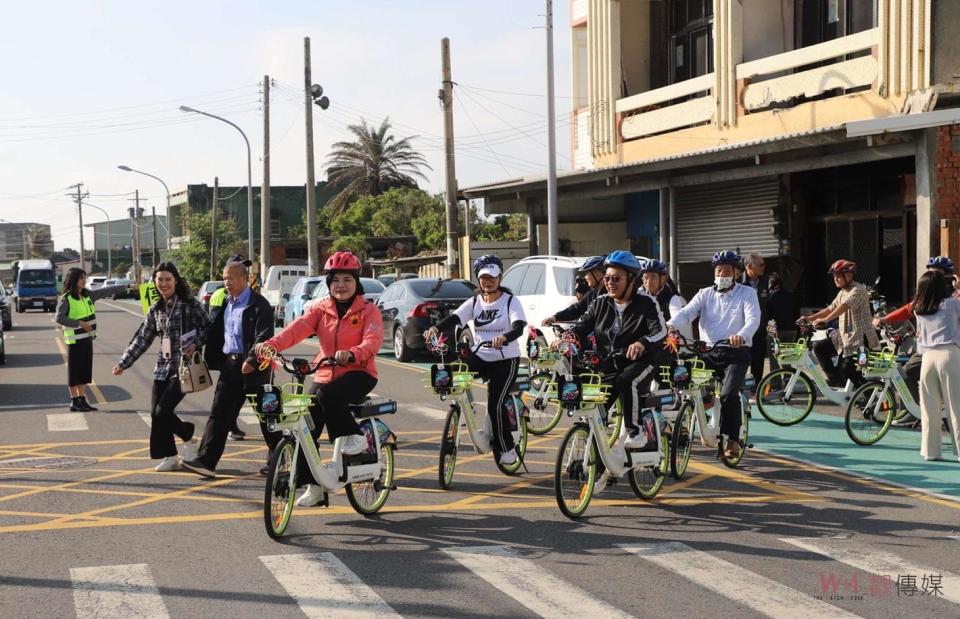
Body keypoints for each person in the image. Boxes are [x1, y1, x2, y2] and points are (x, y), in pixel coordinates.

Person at [254, 251, 384, 507]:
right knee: (304, 423)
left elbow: (373, 340)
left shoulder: (368, 311)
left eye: (347, 280)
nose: (341, 286)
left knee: (329, 396)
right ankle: (314, 486)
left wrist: (353, 353)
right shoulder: (320, 310)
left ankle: (354, 436)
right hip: (325, 372)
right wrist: (268, 345)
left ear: (357, 283)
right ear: (328, 284)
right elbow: (296, 330)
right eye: (335, 280)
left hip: (359, 373)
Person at [426, 254, 528, 462]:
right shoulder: (475, 302)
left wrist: (504, 337)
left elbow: (519, 327)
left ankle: (507, 448)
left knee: (495, 405)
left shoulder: (510, 301)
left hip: (505, 360)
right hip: (481, 355)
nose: (487, 281)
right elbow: (456, 318)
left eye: (491, 276)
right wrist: (435, 328)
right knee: (452, 372)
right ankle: (467, 404)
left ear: (499, 277)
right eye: (483, 277)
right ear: (478, 279)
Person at [180, 256, 274, 478]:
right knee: (219, 413)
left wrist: (252, 360)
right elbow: (212, 329)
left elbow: (265, 337)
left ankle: (279, 460)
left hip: (256, 367)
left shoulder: (259, 305)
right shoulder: (226, 302)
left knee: (267, 415)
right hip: (230, 365)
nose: (226, 283)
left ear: (244, 279)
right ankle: (206, 461)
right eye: (224, 279)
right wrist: (196, 345)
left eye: (230, 278)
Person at [112, 262, 209, 472]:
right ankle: (171, 455)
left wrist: (197, 343)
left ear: (176, 280)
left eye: (168, 279)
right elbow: (142, 338)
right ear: (154, 282)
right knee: (156, 414)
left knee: (163, 411)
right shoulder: (156, 309)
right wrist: (124, 363)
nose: (164, 283)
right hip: (163, 366)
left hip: (184, 368)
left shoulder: (189, 304)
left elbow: (208, 328)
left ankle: (189, 437)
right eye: (160, 280)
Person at [567, 251, 667, 448]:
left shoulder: (646, 303)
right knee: (595, 407)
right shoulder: (600, 303)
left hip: (641, 362)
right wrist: (568, 336)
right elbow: (582, 325)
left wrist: (642, 343)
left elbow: (660, 330)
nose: (610, 283)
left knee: (626, 381)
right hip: (608, 364)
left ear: (631, 280)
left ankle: (636, 432)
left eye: (616, 279)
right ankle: (599, 461)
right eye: (607, 278)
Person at [667, 250, 760, 458]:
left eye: (727, 270)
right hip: (708, 352)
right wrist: (671, 326)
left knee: (728, 394)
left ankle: (733, 441)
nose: (722, 274)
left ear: (737, 273)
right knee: (681, 376)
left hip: (736, 353)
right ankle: (694, 409)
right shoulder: (704, 293)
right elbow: (687, 312)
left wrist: (741, 336)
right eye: (718, 270)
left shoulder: (747, 293)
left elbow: (753, 320)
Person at [873, 256, 957, 426]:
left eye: (938, 274)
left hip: (952, 350)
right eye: (931, 272)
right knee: (906, 373)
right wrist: (885, 319)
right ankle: (913, 410)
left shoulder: (954, 297)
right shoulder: (924, 298)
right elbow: (907, 310)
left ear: (948, 277)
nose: (933, 277)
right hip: (926, 352)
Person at [55, 268, 130, 411]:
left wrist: (127, 286)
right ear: (73, 280)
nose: (84, 280)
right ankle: (74, 401)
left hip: (87, 339)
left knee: (85, 370)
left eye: (85, 278)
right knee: (74, 372)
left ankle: (82, 400)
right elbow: (59, 318)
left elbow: (107, 290)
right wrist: (79, 323)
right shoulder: (66, 298)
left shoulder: (88, 295)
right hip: (75, 341)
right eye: (81, 278)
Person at [801, 259, 879, 388]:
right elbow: (831, 308)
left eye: (838, 275)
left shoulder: (858, 290)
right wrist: (810, 318)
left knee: (848, 369)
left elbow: (843, 307)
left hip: (861, 339)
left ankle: (869, 397)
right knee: (819, 347)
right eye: (834, 276)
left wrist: (826, 320)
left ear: (849, 275)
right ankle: (836, 380)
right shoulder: (842, 292)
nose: (835, 279)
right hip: (845, 337)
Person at [912, 270, 960, 462]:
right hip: (949, 355)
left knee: (929, 408)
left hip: (927, 358)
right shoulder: (951, 304)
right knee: (956, 406)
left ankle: (931, 451)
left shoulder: (919, 309)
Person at [206, 285, 245, 441]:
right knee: (227, 398)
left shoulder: (247, 296)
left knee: (241, 394)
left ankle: (231, 424)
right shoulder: (221, 295)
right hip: (228, 355)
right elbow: (213, 324)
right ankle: (229, 427)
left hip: (243, 357)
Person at [542, 256, 605, 325]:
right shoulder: (594, 292)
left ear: (597, 274)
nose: (585, 277)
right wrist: (555, 317)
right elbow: (577, 308)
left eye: (587, 273)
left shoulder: (609, 296)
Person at [639, 259, 692, 341]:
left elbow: (676, 316)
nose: (648, 282)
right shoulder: (638, 295)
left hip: (664, 342)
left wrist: (671, 327)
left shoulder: (673, 298)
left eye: (653, 277)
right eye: (646, 277)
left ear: (662, 279)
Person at [740, 253, 770, 384]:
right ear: (750, 266)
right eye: (761, 265)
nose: (764, 267)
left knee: (758, 362)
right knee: (742, 362)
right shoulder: (738, 284)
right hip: (742, 332)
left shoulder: (766, 282)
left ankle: (756, 388)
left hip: (760, 331)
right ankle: (739, 388)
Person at [766, 271, 799, 372]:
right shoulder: (791, 294)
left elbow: (769, 315)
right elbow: (796, 313)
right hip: (791, 330)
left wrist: (770, 331)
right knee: (786, 356)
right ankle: (788, 378)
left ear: (771, 284)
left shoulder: (771, 296)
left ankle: (775, 381)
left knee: (774, 356)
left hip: (776, 331)